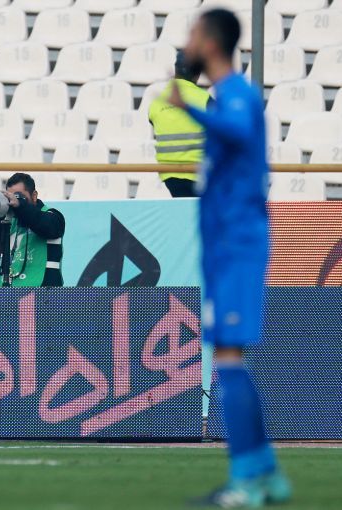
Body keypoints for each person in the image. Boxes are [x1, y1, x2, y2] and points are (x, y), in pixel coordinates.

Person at [168, 9, 291, 507]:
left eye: (192, 34)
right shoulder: (226, 97)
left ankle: (247, 481)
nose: (186, 43)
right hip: (224, 247)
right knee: (228, 357)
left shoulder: (236, 95)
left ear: (211, 43)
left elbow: (239, 130)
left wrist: (190, 109)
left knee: (227, 358)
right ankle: (266, 472)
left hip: (238, 245)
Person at [0, 173, 65, 287]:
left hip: (44, 291)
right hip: (10, 290)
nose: (14, 200)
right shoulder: (9, 220)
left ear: (34, 195)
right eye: (11, 197)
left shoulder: (53, 216)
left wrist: (20, 206)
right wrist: (0, 212)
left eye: (18, 196)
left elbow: (47, 226)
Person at [148, 50, 213, 198]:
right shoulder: (205, 100)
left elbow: (152, 121)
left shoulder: (157, 102)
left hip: (170, 174)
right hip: (199, 172)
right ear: (197, 74)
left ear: (175, 71)